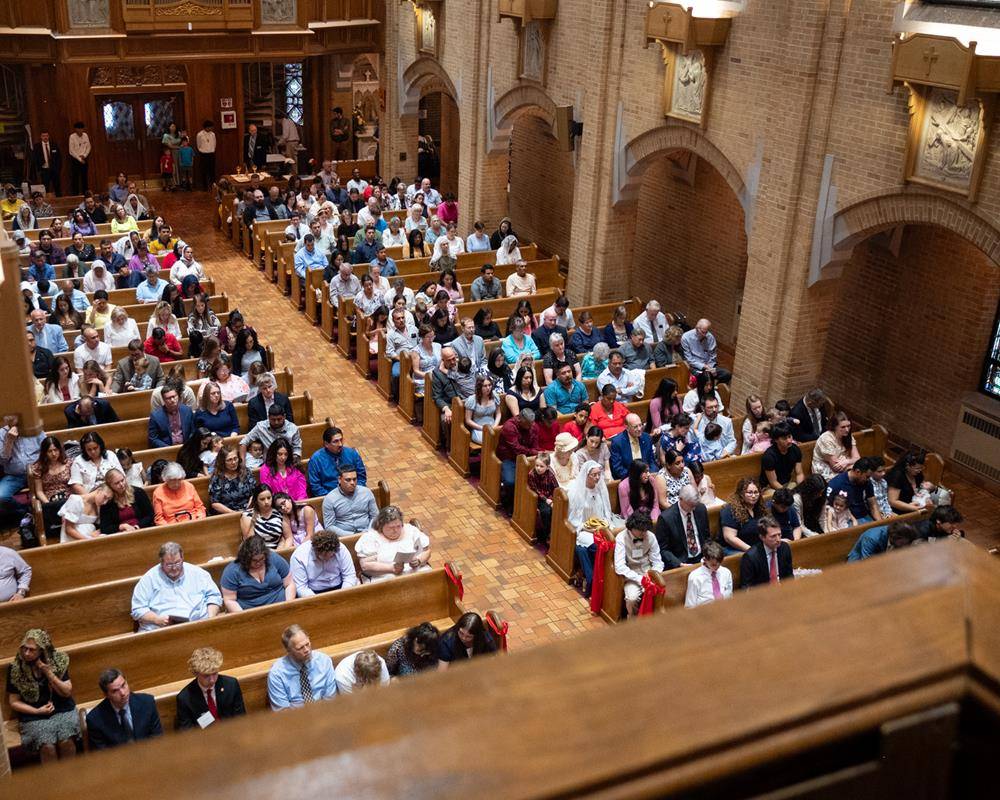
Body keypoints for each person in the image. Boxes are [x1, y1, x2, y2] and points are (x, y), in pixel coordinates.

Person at [5, 629, 79, 762]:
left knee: (66, 741)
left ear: (42, 651)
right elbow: (13, 701)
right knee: (47, 746)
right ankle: (51, 781)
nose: (26, 653)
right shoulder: (16, 668)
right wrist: (37, 711)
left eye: (31, 650)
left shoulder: (58, 661)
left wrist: (49, 673)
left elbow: (67, 691)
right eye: (24, 648)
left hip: (62, 709)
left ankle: (71, 779)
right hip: (33, 716)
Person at [131, 542, 222, 632]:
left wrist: (210, 618)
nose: (174, 568)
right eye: (169, 564)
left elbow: (214, 596)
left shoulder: (198, 573)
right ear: (161, 562)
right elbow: (138, 609)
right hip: (160, 629)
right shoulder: (149, 578)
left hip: (198, 626)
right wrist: (157, 619)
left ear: (182, 558)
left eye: (177, 563)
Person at [567, 462, 624, 597]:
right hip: (585, 530)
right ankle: (594, 578)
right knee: (597, 546)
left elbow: (605, 512)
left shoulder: (600, 488)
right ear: (586, 475)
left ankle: (595, 578)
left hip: (602, 526)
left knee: (615, 541)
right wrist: (590, 529)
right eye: (594, 475)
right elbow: (574, 519)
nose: (597, 478)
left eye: (599, 474)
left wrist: (604, 525)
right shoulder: (577, 492)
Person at [86, 668, 163, 750]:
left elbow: (157, 738)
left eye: (123, 685)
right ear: (106, 695)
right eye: (115, 691)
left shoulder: (147, 703)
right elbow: (102, 755)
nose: (122, 693)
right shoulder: (95, 720)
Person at [175, 647, 246, 730]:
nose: (212, 680)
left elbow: (241, 719)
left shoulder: (231, 685)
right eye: (206, 675)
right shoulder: (185, 698)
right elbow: (187, 733)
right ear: (196, 673)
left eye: (215, 673)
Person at [268, 624, 338, 709]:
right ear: (288, 650)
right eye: (300, 648)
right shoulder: (277, 674)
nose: (307, 650)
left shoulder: (324, 661)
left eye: (307, 644)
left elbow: (330, 699)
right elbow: (282, 712)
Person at [356, 505, 432, 583]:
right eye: (391, 528)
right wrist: (391, 568)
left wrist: (419, 560)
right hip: (385, 578)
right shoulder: (371, 537)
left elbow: (426, 551)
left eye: (398, 526)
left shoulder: (411, 531)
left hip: (415, 574)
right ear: (381, 526)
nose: (395, 530)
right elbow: (364, 565)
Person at [221, 534, 294, 611]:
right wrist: (244, 617)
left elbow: (289, 584)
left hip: (281, 608)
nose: (259, 563)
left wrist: (288, 606)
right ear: (246, 558)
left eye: (262, 559)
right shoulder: (232, 571)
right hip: (250, 613)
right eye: (254, 560)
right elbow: (230, 600)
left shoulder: (273, 558)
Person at [612, 510, 664, 617]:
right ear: (631, 528)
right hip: (631, 576)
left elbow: (657, 561)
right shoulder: (621, 538)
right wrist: (639, 579)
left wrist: (653, 575)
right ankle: (633, 619)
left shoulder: (650, 536)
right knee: (631, 598)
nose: (644, 534)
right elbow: (620, 567)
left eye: (646, 530)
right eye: (641, 531)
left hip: (648, 572)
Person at [289, 528, 358, 596]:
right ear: (315, 550)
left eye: (331, 556)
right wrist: (317, 601)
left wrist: (343, 594)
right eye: (324, 556)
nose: (327, 559)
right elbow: (301, 587)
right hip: (313, 592)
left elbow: (349, 576)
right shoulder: (299, 556)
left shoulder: (341, 549)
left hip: (341, 587)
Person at [655, 484, 711, 567]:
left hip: (702, 558)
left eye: (695, 505)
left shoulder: (700, 509)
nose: (694, 509)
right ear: (681, 499)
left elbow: (707, 536)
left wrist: (708, 555)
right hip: (681, 561)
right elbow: (663, 549)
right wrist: (679, 564)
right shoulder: (666, 518)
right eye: (691, 505)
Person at [496, 409, 541, 509]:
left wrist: (535, 453)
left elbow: (535, 445)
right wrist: (534, 452)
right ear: (519, 419)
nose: (530, 427)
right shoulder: (509, 427)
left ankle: (530, 505)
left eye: (531, 424)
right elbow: (516, 449)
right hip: (509, 458)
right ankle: (509, 504)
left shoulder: (533, 426)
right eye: (527, 424)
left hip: (527, 457)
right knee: (510, 481)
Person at [740, 516, 794, 588]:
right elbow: (747, 587)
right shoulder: (751, 557)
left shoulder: (784, 548)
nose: (778, 539)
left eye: (779, 535)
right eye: (773, 536)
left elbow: (789, 576)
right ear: (762, 537)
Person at [826, 456, 883, 525]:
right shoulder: (836, 484)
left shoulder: (866, 482)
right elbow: (827, 508)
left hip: (864, 516)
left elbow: (872, 504)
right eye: (867, 477)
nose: (869, 479)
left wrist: (881, 523)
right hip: (846, 520)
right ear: (858, 472)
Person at [322, 467, 378, 535]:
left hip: (368, 533)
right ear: (339, 479)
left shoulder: (366, 492)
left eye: (354, 479)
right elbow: (329, 526)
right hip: (344, 537)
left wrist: (369, 531)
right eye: (348, 480)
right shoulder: (330, 499)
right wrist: (351, 536)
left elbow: (375, 516)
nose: (352, 483)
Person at [99, 468, 154, 534]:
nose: (122, 484)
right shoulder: (107, 500)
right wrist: (121, 527)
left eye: (122, 480)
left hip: (141, 530)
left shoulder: (138, 492)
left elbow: (150, 515)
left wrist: (136, 527)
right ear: (110, 485)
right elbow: (105, 528)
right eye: (117, 483)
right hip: (120, 535)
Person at [720, 477, 765, 554]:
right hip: (734, 549)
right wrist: (752, 550)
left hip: (756, 547)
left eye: (756, 492)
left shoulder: (760, 508)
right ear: (741, 494)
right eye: (750, 492)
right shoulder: (729, 510)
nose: (753, 496)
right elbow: (729, 537)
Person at [239, 483, 291, 549]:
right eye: (262, 499)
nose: (266, 502)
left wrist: (283, 551)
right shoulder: (247, 515)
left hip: (279, 552)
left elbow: (289, 537)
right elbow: (250, 543)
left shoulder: (280, 513)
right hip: (257, 553)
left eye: (269, 498)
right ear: (256, 501)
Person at [812, 411, 860, 481]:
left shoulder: (848, 436)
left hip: (844, 465)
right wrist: (850, 461)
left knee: (859, 472)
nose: (847, 430)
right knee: (854, 475)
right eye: (843, 427)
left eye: (848, 426)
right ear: (835, 427)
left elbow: (857, 458)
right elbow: (836, 467)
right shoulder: (826, 438)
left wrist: (846, 461)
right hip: (825, 470)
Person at [680, 318, 731, 383]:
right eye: (703, 332)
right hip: (695, 367)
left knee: (727, 374)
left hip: (709, 366)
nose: (704, 335)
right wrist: (704, 367)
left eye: (706, 332)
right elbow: (689, 360)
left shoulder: (710, 337)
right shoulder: (686, 337)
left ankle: (714, 386)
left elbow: (713, 356)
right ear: (696, 328)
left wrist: (710, 368)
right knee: (701, 377)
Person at [684, 541, 733, 607]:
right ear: (705, 560)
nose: (717, 567)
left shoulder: (726, 572)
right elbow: (690, 605)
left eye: (719, 563)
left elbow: (729, 594)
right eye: (713, 565)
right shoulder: (695, 577)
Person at [609, 414, 657, 480]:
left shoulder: (647, 438)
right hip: (629, 479)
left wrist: (651, 473)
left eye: (640, 425)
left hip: (648, 477)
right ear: (627, 427)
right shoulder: (617, 442)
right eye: (635, 427)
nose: (639, 429)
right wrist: (636, 477)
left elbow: (652, 461)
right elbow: (618, 468)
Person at [847, 520, 920, 562]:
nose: (905, 546)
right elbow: (867, 563)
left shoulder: (897, 537)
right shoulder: (872, 538)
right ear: (896, 537)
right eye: (904, 543)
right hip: (857, 563)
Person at [68, 122, 91, 193]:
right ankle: (75, 195)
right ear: (75, 129)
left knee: (84, 178)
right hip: (75, 160)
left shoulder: (85, 135)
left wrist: (84, 155)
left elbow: (89, 147)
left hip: (84, 158)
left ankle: (86, 194)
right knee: (75, 178)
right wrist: (79, 159)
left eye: (81, 129)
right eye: (78, 129)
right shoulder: (72, 137)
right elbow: (71, 150)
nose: (80, 130)